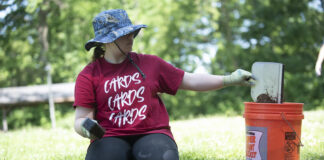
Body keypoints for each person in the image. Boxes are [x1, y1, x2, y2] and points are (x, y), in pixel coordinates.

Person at [73, 9, 255, 160]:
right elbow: (81, 118)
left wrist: (229, 79)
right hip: (110, 136)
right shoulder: (89, 75)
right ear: (107, 41)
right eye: (123, 34)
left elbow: (189, 80)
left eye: (131, 32)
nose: (131, 37)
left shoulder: (150, 63)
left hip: (152, 133)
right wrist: (87, 127)